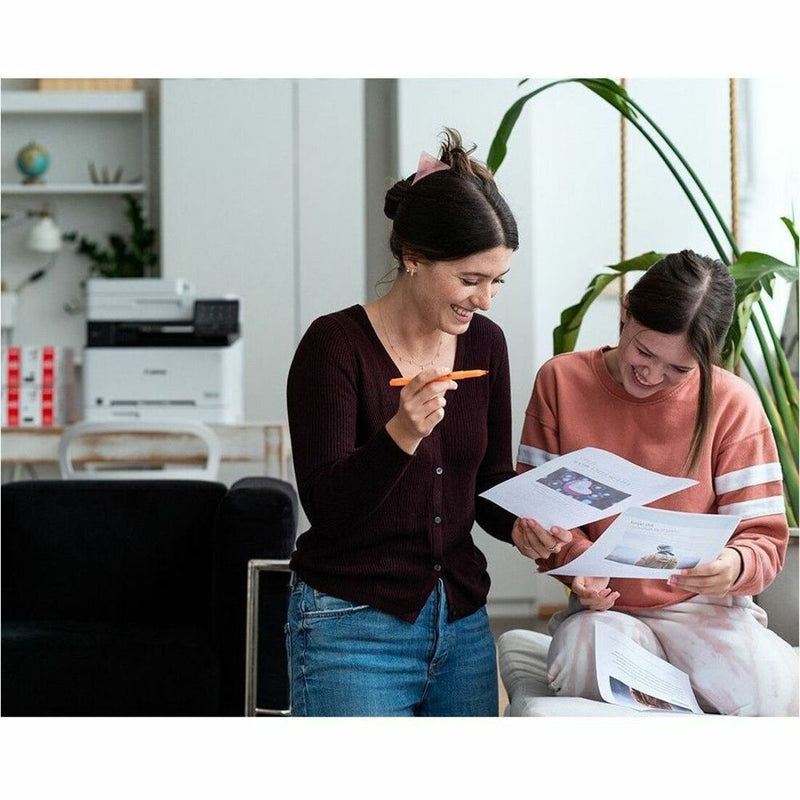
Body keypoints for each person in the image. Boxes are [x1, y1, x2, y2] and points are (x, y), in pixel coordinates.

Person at [285, 128, 531, 716]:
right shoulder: (334, 346)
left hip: (462, 624)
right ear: (414, 258)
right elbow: (328, 509)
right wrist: (400, 436)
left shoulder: (485, 345)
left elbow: (488, 482)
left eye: (497, 281)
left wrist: (523, 525)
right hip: (351, 625)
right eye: (470, 280)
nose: (485, 301)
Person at [512, 249, 799, 716]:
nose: (652, 374)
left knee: (777, 689)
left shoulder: (733, 404)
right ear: (625, 313)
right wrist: (574, 562)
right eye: (645, 351)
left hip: (705, 612)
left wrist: (732, 565)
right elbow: (542, 516)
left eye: (680, 369)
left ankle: (667, 701)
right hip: (604, 614)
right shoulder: (560, 382)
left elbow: (764, 540)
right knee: (577, 658)